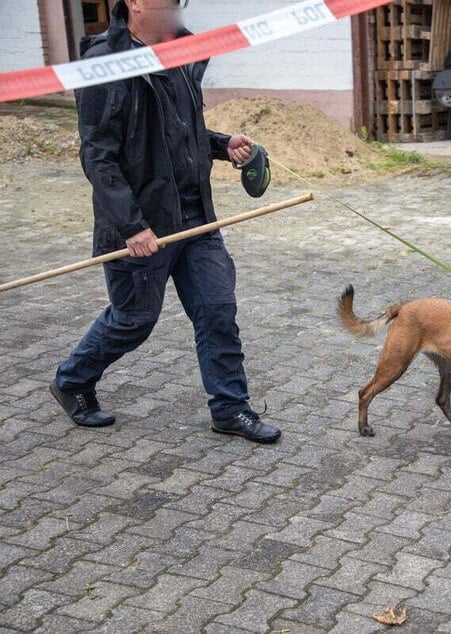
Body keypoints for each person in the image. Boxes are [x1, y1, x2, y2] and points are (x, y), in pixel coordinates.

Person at [49, 0, 280, 444]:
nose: (176, 6)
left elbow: (179, 129)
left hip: (194, 218)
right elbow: (98, 154)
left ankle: (230, 408)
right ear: (134, 2)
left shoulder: (181, 51)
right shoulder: (105, 64)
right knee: (133, 319)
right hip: (141, 224)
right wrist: (131, 225)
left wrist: (219, 143)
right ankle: (73, 379)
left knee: (217, 310)